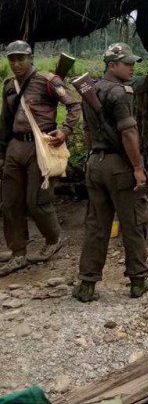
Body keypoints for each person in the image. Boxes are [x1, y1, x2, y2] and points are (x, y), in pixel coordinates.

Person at [72, 43, 148, 302]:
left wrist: (92, 155)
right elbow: (128, 132)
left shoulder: (91, 90)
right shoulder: (120, 92)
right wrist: (137, 167)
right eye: (127, 63)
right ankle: (138, 281)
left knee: (96, 225)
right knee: (133, 222)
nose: (132, 68)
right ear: (112, 65)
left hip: (95, 163)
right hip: (119, 166)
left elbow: (87, 131)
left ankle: (87, 284)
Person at [0, 40, 81, 276]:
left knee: (36, 201)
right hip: (15, 146)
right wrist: (2, 154)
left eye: (21, 58)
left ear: (31, 58)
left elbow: (74, 105)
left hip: (41, 147)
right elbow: (5, 122)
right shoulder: (9, 85)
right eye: (12, 59)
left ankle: (53, 239)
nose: (16, 64)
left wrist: (65, 130)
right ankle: (18, 253)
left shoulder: (48, 81)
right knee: (10, 202)